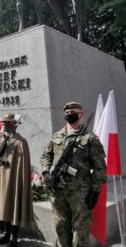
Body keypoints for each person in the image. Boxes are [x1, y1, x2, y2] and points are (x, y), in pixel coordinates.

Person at [40, 102, 107, 247]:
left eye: (73, 112)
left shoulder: (90, 139)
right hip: (58, 191)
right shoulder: (57, 136)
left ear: (81, 114)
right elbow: (46, 156)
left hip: (80, 193)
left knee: (80, 231)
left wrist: (95, 190)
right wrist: (46, 172)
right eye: (67, 112)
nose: (69, 114)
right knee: (61, 228)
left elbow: (100, 167)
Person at [0, 113, 33, 246]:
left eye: (9, 123)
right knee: (3, 205)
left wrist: (20, 181)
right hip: (1, 177)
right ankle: (5, 233)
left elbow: (23, 165)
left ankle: (13, 237)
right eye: (5, 122)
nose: (6, 125)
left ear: (15, 125)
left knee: (14, 205)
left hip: (14, 179)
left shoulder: (21, 141)